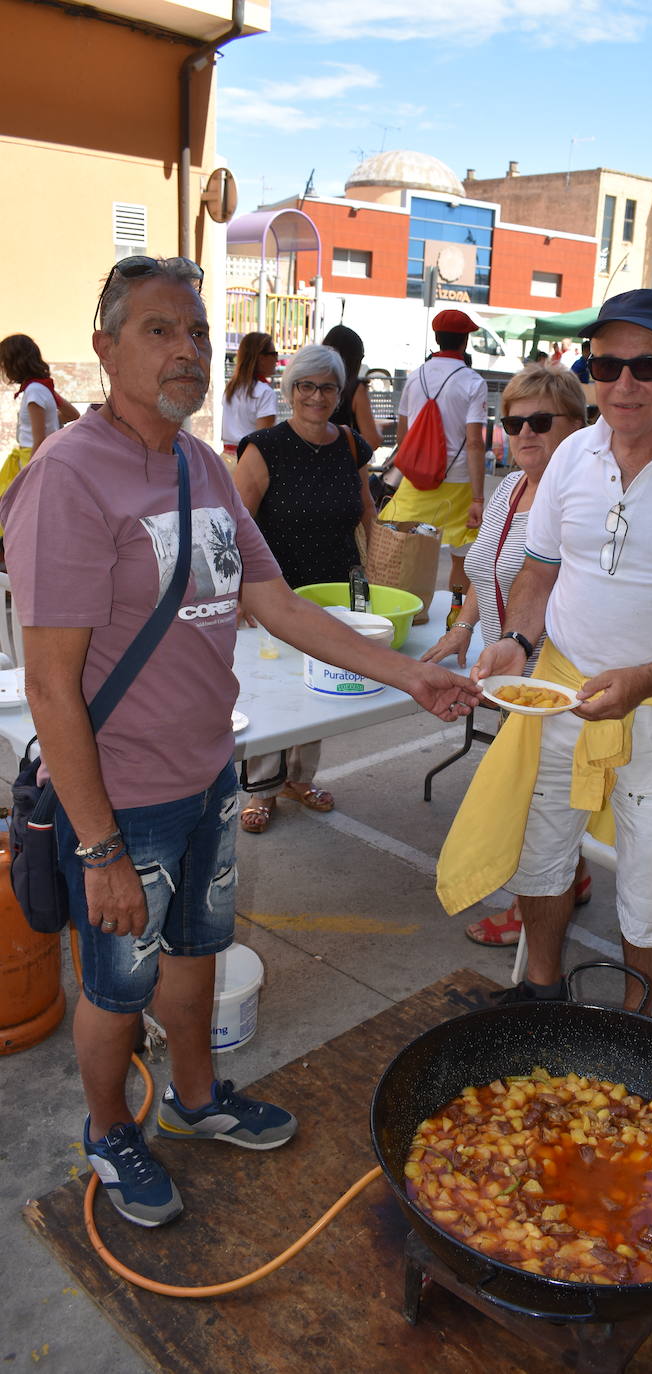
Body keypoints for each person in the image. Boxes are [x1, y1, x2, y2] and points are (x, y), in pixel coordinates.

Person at [0, 255, 478, 1229]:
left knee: (195, 959)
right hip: (120, 802)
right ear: (105, 350)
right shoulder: (66, 478)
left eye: (197, 333)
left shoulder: (203, 466)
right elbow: (49, 682)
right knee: (114, 986)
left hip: (209, 774)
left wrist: (407, 672)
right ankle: (107, 1132)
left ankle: (195, 1097)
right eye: (158, 331)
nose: (186, 350)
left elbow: (269, 600)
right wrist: (96, 847)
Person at [437, 289, 652, 1014]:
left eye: (648, 365)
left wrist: (646, 678)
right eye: (607, 364)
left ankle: (635, 1028)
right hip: (558, 693)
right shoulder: (571, 459)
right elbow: (539, 572)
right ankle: (540, 989)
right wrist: (516, 641)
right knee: (540, 850)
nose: (625, 383)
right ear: (588, 369)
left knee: (650, 885)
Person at [421, 364, 592, 947]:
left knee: (531, 798)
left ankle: (530, 909)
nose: (524, 433)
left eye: (541, 421)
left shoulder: (584, 501)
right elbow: (482, 573)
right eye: (513, 421)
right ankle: (576, 875)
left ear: (579, 425)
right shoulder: (507, 491)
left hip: (554, 680)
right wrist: (464, 628)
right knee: (547, 794)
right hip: (509, 674)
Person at [233, 343, 376, 832]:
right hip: (277, 589)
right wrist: (236, 591)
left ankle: (298, 777)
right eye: (306, 386)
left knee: (319, 689)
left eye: (328, 387)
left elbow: (367, 511)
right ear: (290, 390)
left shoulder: (352, 445)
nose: (317, 396)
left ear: (340, 393)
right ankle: (262, 788)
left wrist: (377, 571)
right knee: (271, 693)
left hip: (337, 588)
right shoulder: (263, 447)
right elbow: (233, 524)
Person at [378, 309, 487, 592]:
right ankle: (455, 620)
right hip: (459, 480)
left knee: (400, 547)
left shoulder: (415, 378)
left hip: (417, 478)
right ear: (465, 341)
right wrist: (478, 497)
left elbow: (403, 435)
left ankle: (404, 607)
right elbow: (475, 442)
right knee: (460, 559)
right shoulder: (473, 382)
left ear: (437, 339)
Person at [0, 333, 79, 511]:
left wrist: (27, 476)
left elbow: (39, 439)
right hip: (35, 456)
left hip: (30, 457)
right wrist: (51, 420)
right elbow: (72, 414)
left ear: (15, 363)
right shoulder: (42, 387)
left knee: (10, 507)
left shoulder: (33, 392)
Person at [322, 324, 384, 451]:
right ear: (354, 359)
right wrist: (379, 429)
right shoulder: (355, 388)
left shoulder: (313, 384)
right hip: (341, 464)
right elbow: (372, 441)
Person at [220, 332, 277, 464]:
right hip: (248, 462)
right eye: (274, 354)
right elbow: (263, 440)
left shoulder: (231, 388)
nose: (277, 359)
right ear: (261, 358)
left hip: (225, 460)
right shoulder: (265, 392)